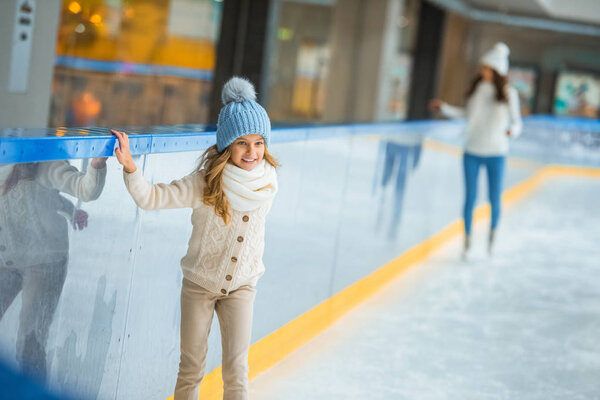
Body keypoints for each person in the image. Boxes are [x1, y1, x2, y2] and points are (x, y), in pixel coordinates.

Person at [111, 77, 278, 400]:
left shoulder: (268, 182)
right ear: (227, 144)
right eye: (242, 143)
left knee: (237, 371)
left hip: (242, 286)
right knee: (191, 368)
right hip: (199, 285)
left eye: (259, 143)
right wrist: (131, 168)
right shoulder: (203, 184)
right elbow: (152, 198)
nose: (252, 152)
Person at [0, 158, 107, 382]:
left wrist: (96, 164)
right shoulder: (5, 159)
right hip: (7, 260)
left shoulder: (47, 163)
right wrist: (70, 211)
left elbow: (85, 190)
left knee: (29, 342)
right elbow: (46, 199)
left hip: (45, 264)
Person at [429, 42, 522, 258]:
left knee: (494, 198)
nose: (483, 72)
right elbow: (467, 115)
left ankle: (492, 237)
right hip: (472, 150)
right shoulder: (477, 90)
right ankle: (467, 240)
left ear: (497, 70)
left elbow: (517, 123)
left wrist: (511, 131)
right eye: (483, 67)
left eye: (487, 68)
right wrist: (444, 108)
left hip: (496, 152)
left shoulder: (509, 94)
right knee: (470, 197)